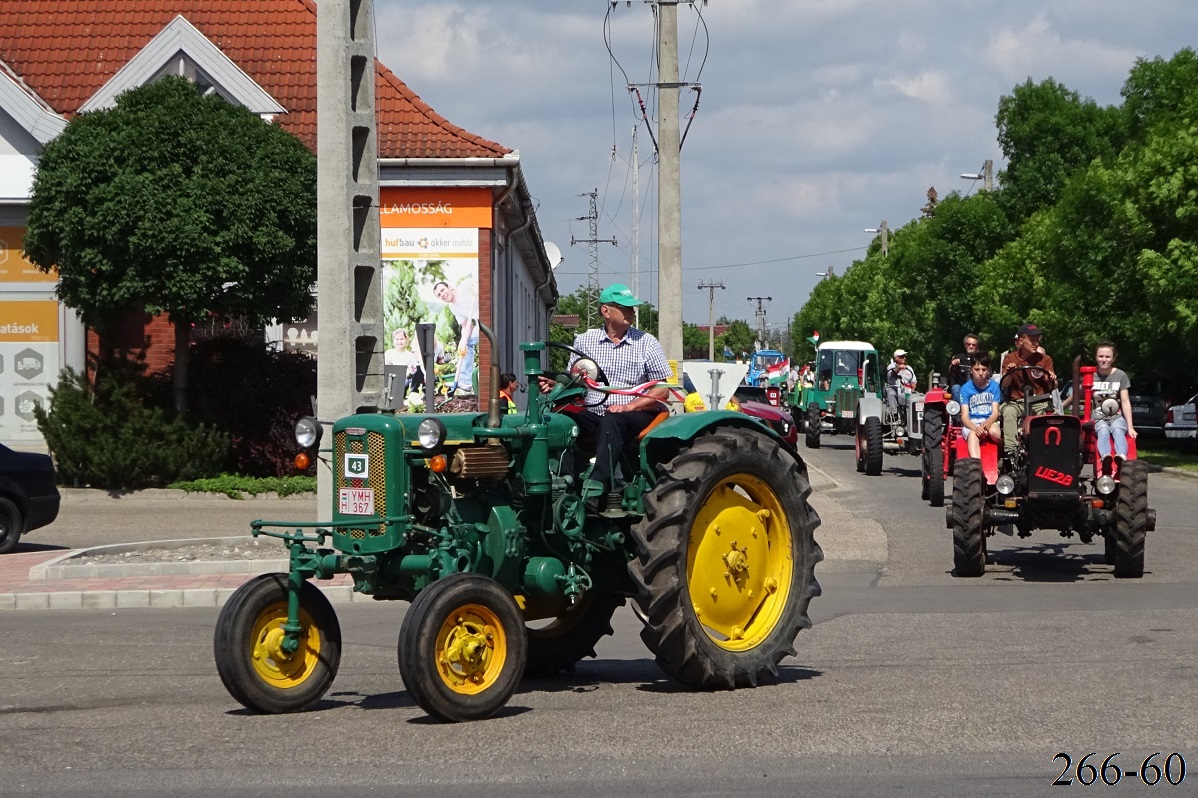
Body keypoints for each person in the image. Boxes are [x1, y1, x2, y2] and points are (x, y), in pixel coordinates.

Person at [538, 283, 671, 501]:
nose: (632, 312)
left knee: (613, 418)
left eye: (632, 308)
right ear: (605, 311)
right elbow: (576, 380)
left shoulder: (646, 343)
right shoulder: (585, 341)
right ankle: (565, 486)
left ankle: (598, 483)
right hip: (595, 410)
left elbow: (662, 390)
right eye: (625, 307)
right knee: (563, 421)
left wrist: (629, 406)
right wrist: (556, 386)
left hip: (635, 413)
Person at [999, 323, 1057, 456]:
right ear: (1021, 341)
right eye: (1032, 340)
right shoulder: (1010, 358)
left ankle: (1045, 449)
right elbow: (1005, 384)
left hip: (1039, 401)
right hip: (1017, 401)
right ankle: (1011, 453)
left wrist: (1051, 380)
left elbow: (1053, 386)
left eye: (1038, 340)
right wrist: (1010, 373)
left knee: (1048, 415)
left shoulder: (1045, 360)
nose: (1036, 343)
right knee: (1008, 411)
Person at [1090, 341, 1137, 473]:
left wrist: (1131, 427)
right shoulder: (1091, 376)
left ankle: (1121, 456)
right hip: (1098, 417)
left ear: (1113, 358)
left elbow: (1125, 401)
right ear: (1096, 357)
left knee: (1118, 429)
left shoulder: (1120, 375)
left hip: (1116, 416)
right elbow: (1078, 394)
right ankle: (1105, 457)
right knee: (1103, 430)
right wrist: (1062, 405)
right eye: (1100, 356)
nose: (1103, 360)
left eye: (1107, 357)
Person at [433, 278, 479, 394]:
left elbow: (480, 279)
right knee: (466, 344)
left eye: (443, 290)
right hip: (479, 324)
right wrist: (462, 342)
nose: (442, 294)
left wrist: (478, 287)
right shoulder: (453, 307)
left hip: (490, 315)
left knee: (467, 342)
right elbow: (466, 326)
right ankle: (465, 382)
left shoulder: (466, 285)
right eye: (439, 295)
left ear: (449, 287)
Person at [958, 354, 1002, 458]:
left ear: (988, 371)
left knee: (994, 431)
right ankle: (976, 465)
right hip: (972, 423)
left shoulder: (994, 387)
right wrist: (975, 428)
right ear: (971, 370)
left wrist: (988, 422)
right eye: (977, 369)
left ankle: (1001, 453)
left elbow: (995, 412)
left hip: (989, 421)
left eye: (984, 369)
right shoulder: (965, 389)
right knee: (973, 436)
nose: (980, 373)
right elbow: (964, 416)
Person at [949, 333, 981, 402]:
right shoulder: (958, 357)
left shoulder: (981, 359)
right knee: (955, 388)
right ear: (965, 345)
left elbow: (989, 373)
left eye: (973, 345)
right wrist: (954, 364)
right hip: (961, 386)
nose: (971, 346)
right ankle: (958, 409)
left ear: (977, 346)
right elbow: (951, 371)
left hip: (977, 386)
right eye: (969, 344)